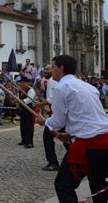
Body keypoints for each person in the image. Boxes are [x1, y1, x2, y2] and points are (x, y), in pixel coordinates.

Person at [36, 55, 108, 203]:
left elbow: (57, 121)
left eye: (54, 67)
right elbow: (89, 117)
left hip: (89, 145)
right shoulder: (89, 86)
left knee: (63, 185)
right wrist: (68, 135)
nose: (52, 71)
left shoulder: (62, 88)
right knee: (98, 185)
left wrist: (44, 122)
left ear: (61, 68)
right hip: (104, 142)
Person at [17, 76, 36, 148]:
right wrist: (17, 103)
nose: (22, 84)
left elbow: (29, 100)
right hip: (22, 111)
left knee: (29, 126)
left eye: (23, 83)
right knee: (23, 126)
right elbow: (18, 98)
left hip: (29, 110)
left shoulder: (31, 90)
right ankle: (24, 140)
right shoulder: (20, 90)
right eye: (21, 83)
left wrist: (21, 102)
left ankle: (30, 142)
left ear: (27, 83)